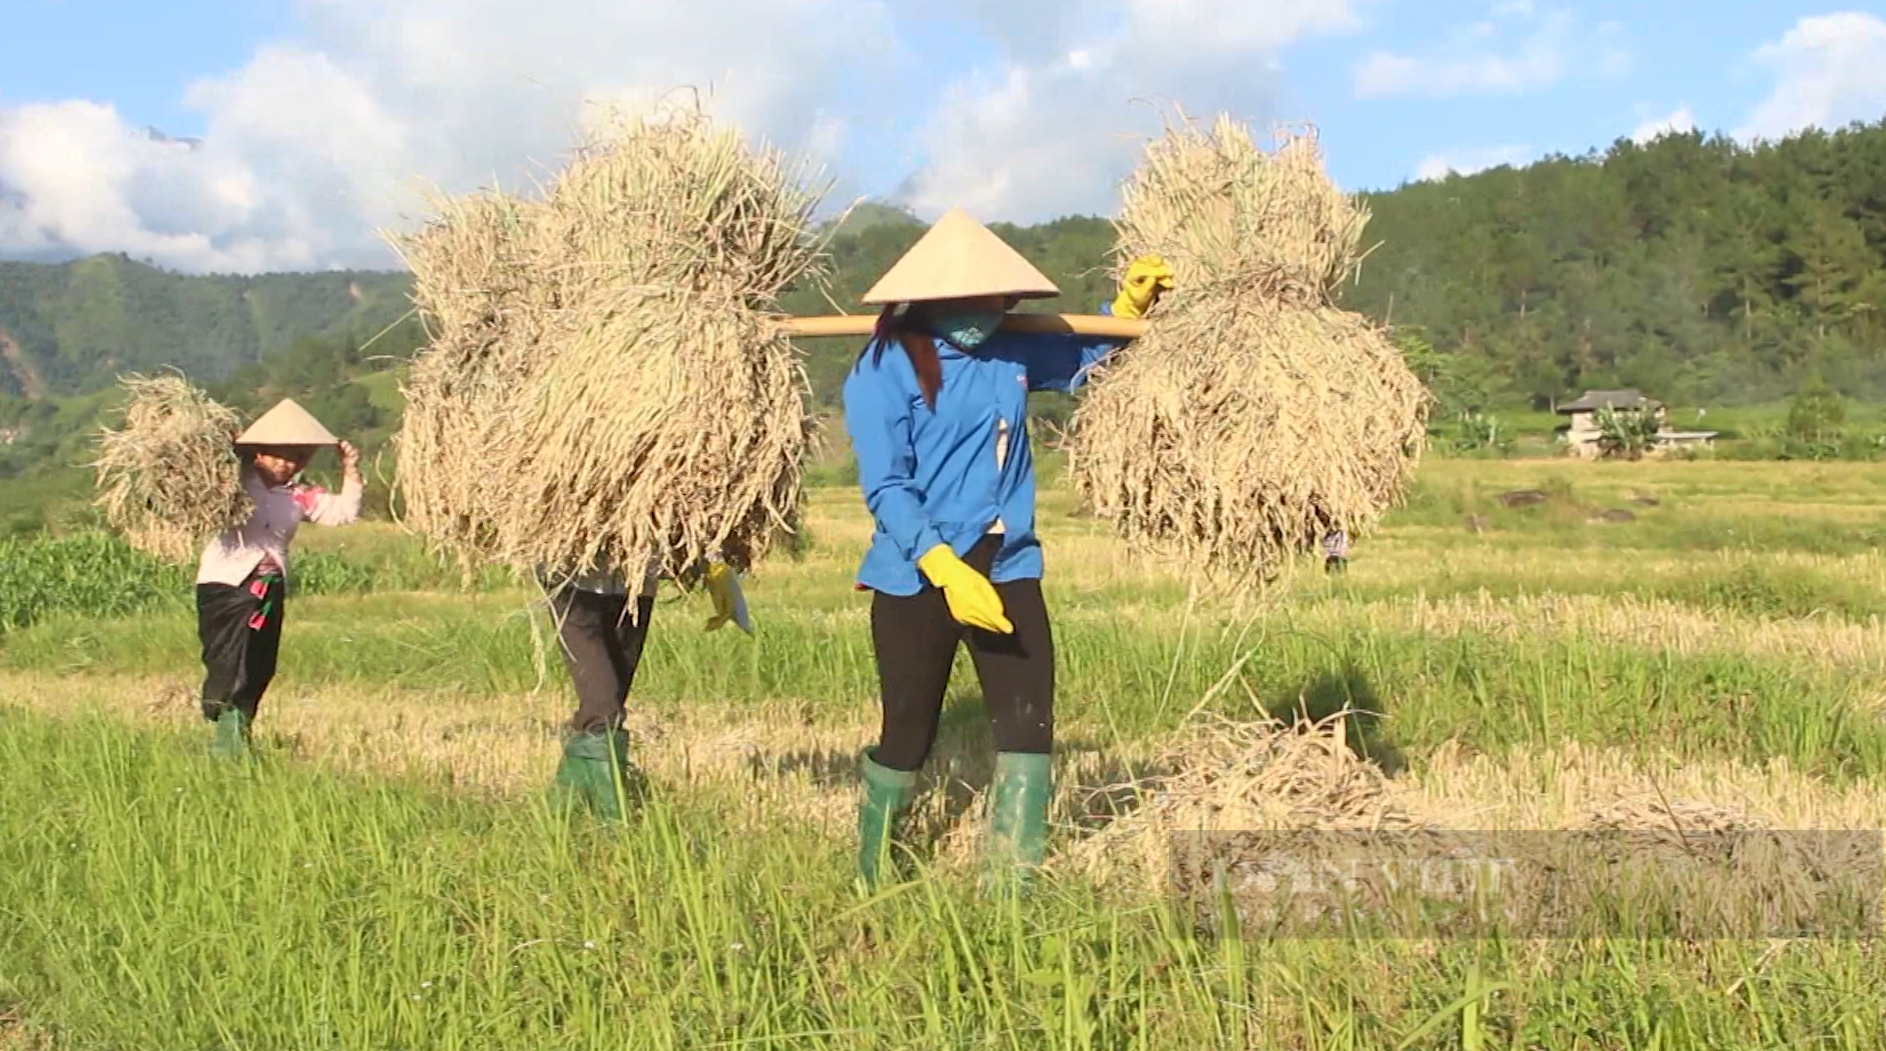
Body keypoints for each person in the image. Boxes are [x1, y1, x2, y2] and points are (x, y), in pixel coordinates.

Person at [840, 208, 1174, 892]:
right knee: (909, 731)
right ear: (942, 297)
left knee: (1029, 727)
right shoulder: (882, 368)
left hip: (1009, 561)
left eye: (1007, 297)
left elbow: (1087, 357)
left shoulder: (1010, 352)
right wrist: (941, 567)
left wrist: (1127, 308)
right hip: (918, 574)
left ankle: (1013, 887)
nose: (1003, 307)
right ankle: (874, 875)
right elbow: (888, 486)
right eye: (990, 297)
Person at [194, 399, 362, 759]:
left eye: (294, 458)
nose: (286, 465)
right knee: (229, 662)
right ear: (258, 455)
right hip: (226, 585)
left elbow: (343, 513)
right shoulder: (232, 483)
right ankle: (225, 743)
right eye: (278, 456)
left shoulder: (299, 495)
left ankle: (240, 736)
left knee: (257, 663)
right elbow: (191, 488)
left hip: (269, 589)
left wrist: (350, 469)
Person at [540, 555, 746, 822]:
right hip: (572, 577)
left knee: (606, 701)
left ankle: (568, 805)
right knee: (604, 710)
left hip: (637, 580)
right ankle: (611, 820)